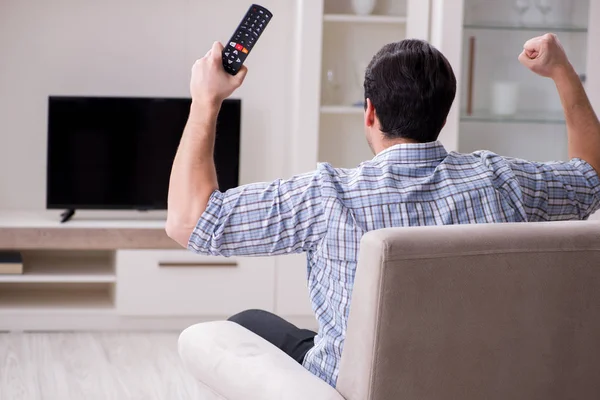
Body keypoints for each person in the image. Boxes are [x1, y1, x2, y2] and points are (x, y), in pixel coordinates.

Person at [166, 34, 600, 388]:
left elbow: (189, 223)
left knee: (249, 322)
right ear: (443, 116)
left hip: (359, 383)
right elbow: (592, 175)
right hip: (475, 378)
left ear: (370, 111)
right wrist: (561, 71)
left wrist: (206, 100)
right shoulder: (502, 180)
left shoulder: (326, 196)